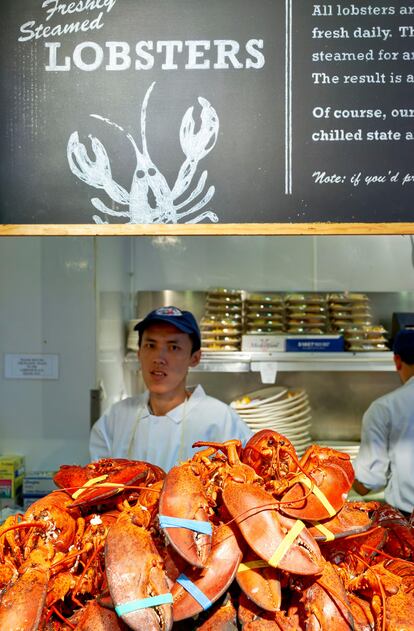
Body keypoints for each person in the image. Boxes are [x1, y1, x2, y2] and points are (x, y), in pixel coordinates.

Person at [90, 305, 252, 471]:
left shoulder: (221, 420)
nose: (159, 358)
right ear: (139, 353)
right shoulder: (115, 418)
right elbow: (94, 484)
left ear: (195, 358)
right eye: (150, 345)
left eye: (173, 347)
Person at [352, 328, 414, 517]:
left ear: (397, 361)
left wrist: (337, 467)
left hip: (406, 523)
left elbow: (367, 483)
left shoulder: (384, 408)